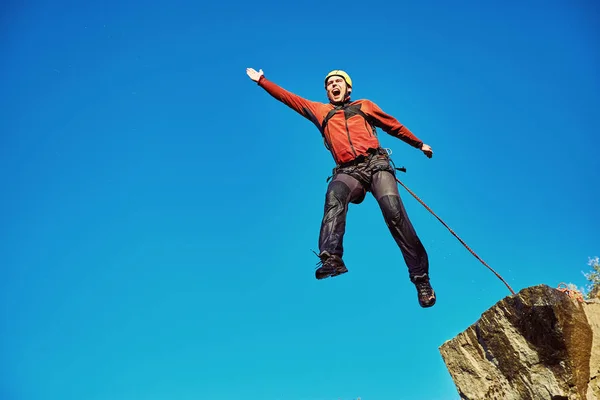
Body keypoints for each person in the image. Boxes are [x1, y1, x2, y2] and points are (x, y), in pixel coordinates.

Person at [246, 67, 436, 308]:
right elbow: (289, 99)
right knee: (334, 194)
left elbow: (392, 125)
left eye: (338, 82)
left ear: (348, 88)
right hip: (348, 171)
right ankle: (332, 259)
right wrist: (262, 81)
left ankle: (421, 279)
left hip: (376, 165)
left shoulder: (364, 105)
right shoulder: (320, 111)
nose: (333, 86)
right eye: (329, 84)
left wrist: (419, 144)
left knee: (393, 211)